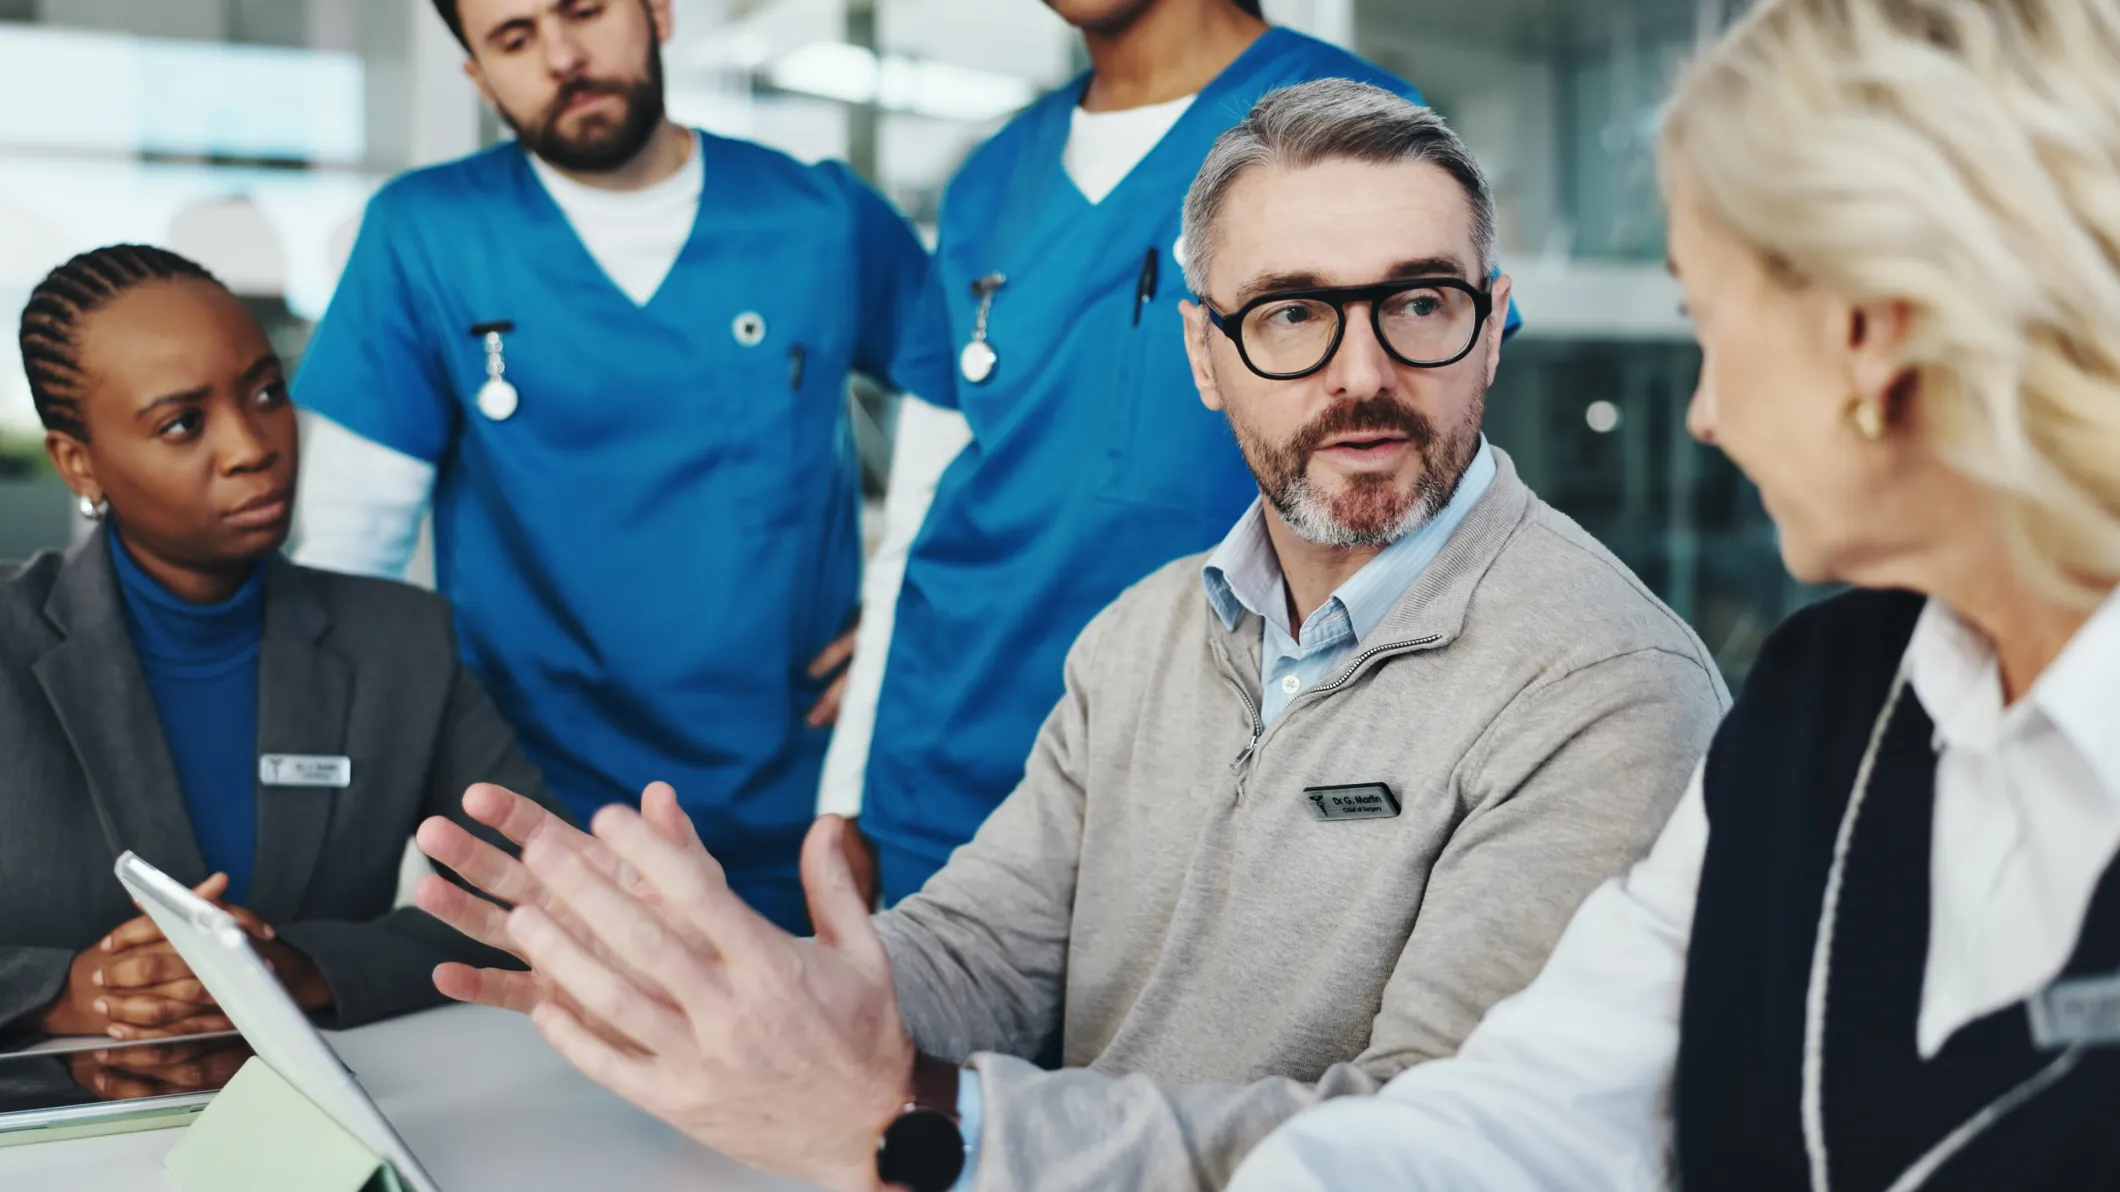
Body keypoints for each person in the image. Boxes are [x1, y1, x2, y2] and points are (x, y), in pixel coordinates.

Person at [412, 82, 1726, 1192]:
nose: (1362, 372)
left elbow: (1437, 1148)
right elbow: (986, 950)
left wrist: (925, 1119)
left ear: (1491, 327)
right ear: (1203, 356)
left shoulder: (1606, 689)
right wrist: (756, 998)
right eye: (1290, 314)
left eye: (1420, 303)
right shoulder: (1142, 637)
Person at [1227, 2, 2120, 1189]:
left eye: (1705, 319)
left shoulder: (1616, 675)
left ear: (1864, 330)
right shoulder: (1813, 703)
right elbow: (1535, 1112)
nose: (1700, 414)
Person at [821, 0, 1520, 903]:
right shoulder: (991, 177)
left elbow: (1431, 482)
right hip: (949, 760)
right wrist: (849, 786)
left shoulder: (1349, 121)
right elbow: (918, 509)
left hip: (1212, 772)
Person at [290, 0, 943, 931]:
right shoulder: (424, 235)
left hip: (792, 804)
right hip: (534, 807)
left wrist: (907, 620)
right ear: (479, 76)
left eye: (584, 9)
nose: (562, 55)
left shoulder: (821, 218)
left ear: (658, 12)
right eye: (514, 38)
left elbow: (978, 413)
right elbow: (353, 562)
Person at [0, 246, 570, 1063]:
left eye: (266, 393)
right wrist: (61, 992)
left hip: (333, 1115)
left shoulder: (400, 641)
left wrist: (301, 968)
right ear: (77, 462)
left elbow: (536, 901)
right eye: (182, 423)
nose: (250, 445)